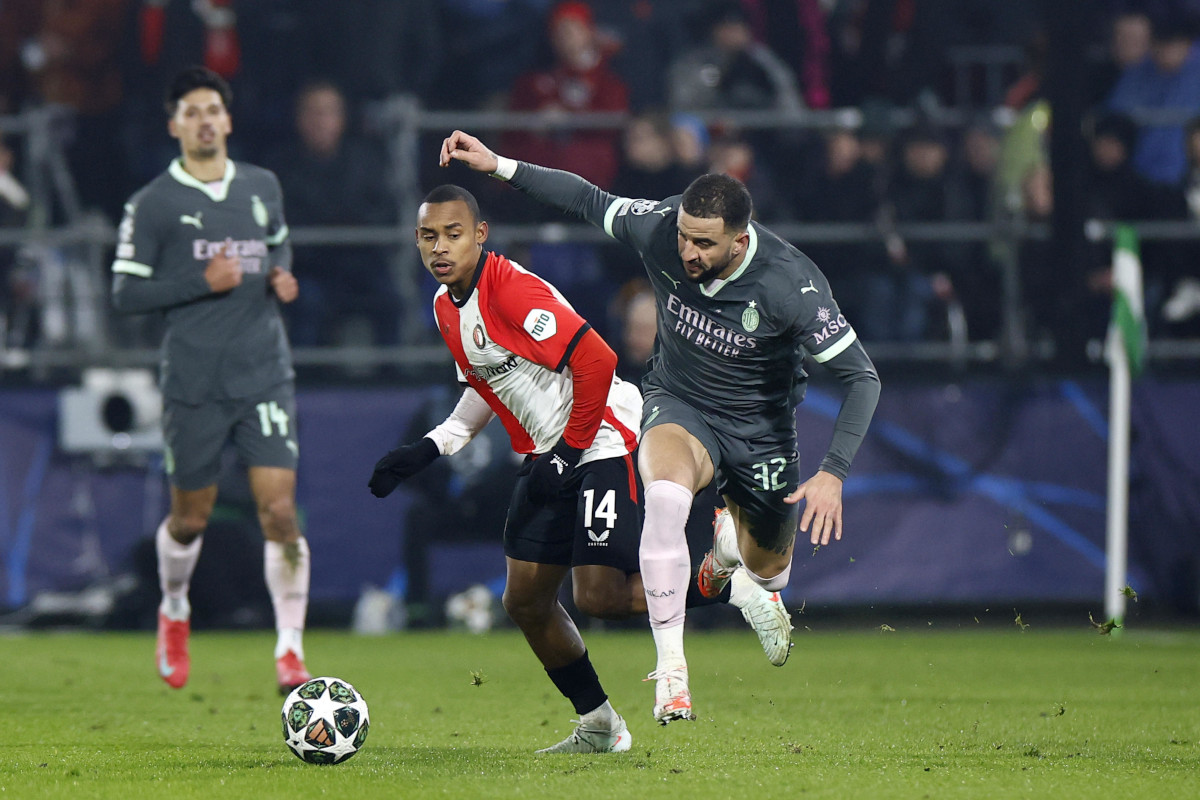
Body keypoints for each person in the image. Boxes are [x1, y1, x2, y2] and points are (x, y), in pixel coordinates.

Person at [438, 130, 881, 725]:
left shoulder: (791, 285)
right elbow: (586, 199)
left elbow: (863, 378)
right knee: (667, 497)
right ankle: (672, 675)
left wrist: (833, 473)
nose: (689, 252)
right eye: (684, 237)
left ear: (740, 241)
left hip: (761, 431)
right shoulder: (660, 228)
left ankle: (728, 555)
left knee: (771, 568)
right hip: (680, 402)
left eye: (705, 243)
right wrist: (498, 165)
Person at [368, 184, 791, 748]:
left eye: (452, 234)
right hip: (553, 449)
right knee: (524, 601)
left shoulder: (510, 290)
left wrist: (568, 454)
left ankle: (734, 586)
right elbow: (485, 381)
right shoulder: (448, 306)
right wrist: (430, 448)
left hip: (604, 439)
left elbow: (598, 360)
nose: (439, 247)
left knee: (597, 597)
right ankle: (600, 724)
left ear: (480, 235)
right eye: (428, 236)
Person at [110, 66, 312, 695]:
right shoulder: (153, 204)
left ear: (227, 120)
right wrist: (202, 283)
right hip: (194, 380)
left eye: (212, 110)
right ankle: (174, 608)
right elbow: (124, 293)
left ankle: (290, 652)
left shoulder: (261, 186)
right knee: (189, 519)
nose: (203, 121)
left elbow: (279, 247)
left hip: (263, 371)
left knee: (279, 511)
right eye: (191, 112)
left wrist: (281, 275)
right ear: (174, 125)